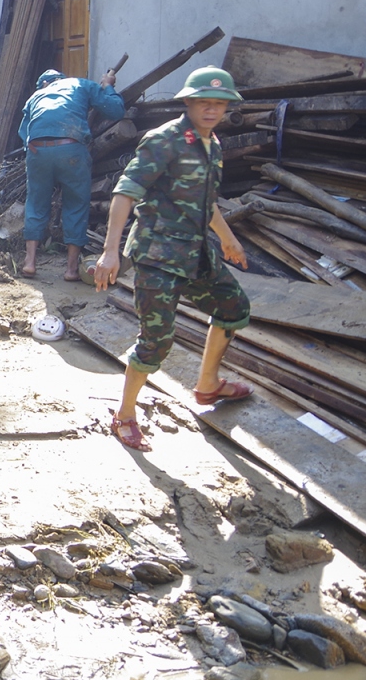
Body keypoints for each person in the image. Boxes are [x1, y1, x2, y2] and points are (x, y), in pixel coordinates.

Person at [94, 67, 252, 452]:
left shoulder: (211, 145)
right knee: (156, 341)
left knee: (234, 308)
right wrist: (110, 250)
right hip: (158, 255)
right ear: (189, 102)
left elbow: (206, 201)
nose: (212, 110)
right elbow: (126, 191)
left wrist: (228, 239)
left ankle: (208, 385)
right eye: (205, 103)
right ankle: (125, 416)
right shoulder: (163, 140)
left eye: (220, 104)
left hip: (196, 253)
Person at [18, 67, 125, 280]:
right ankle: (71, 269)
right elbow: (116, 110)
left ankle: (30, 262)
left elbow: (24, 135)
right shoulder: (81, 84)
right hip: (71, 148)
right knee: (76, 204)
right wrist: (108, 85)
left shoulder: (36, 96)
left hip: (38, 150)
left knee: (36, 202)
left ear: (45, 84)